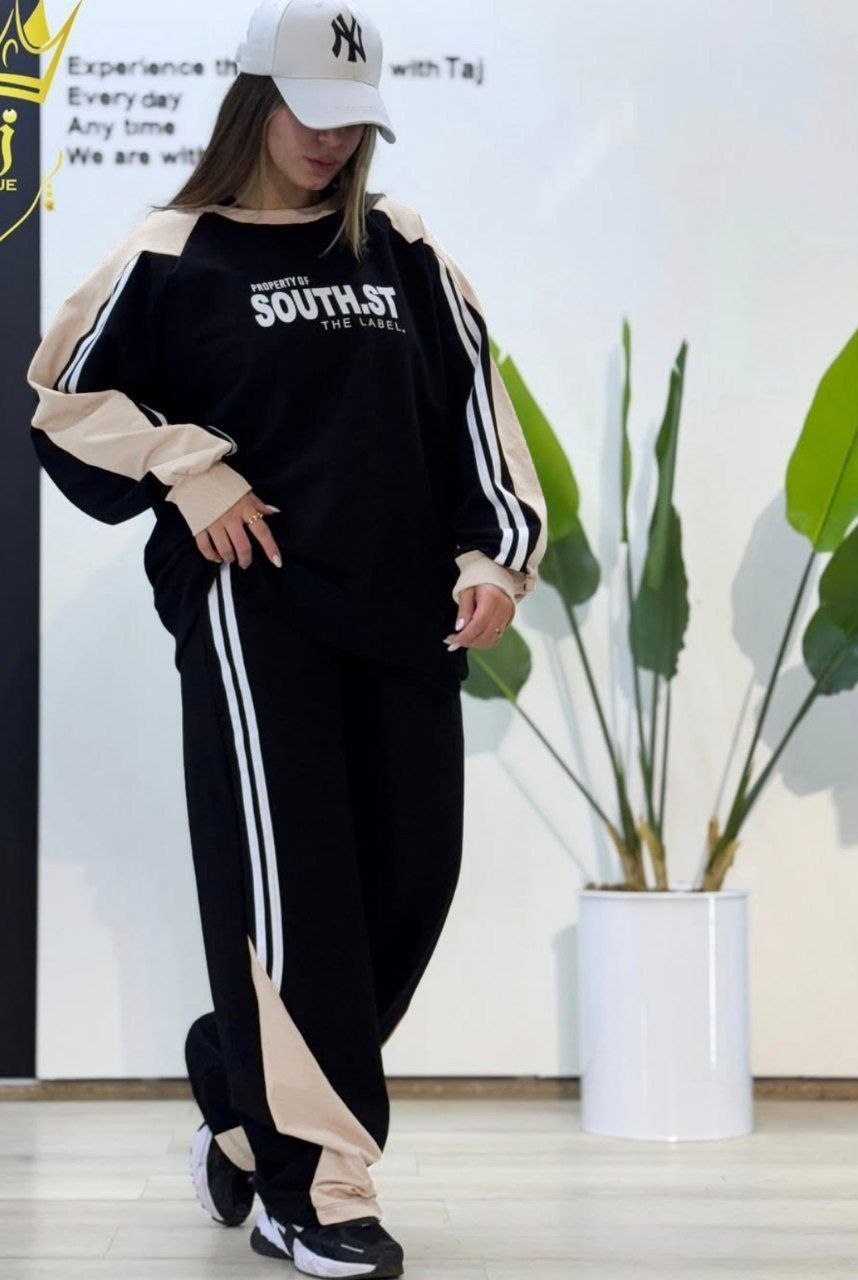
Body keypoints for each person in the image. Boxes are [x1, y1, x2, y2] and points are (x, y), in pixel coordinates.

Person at [25, 1, 547, 1276]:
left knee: (410, 885)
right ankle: (313, 1188)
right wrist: (187, 465)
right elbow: (62, 398)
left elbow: (477, 411)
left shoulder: (402, 248)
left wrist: (496, 554)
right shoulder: (174, 251)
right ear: (254, 98)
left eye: (353, 119)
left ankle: (237, 1084)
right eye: (309, 111)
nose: (331, 140)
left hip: (404, 610)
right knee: (292, 890)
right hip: (255, 610)